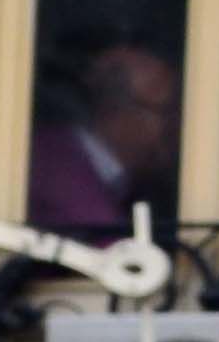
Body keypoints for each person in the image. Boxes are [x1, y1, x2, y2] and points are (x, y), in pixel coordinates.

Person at [26, 41, 176, 229]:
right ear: (122, 113)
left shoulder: (124, 182)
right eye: (165, 111)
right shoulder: (54, 165)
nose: (174, 126)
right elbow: (106, 244)